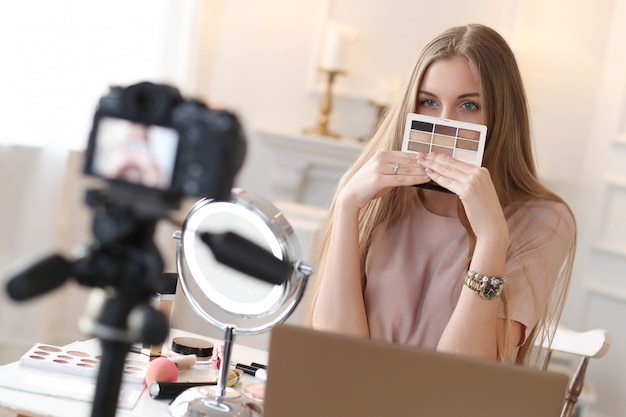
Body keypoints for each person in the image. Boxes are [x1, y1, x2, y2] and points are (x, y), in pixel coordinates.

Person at [311, 23, 576, 364]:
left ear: (501, 116)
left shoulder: (543, 219)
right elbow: (336, 351)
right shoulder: (374, 196)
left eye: (468, 106)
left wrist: (492, 238)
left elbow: (462, 372)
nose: (445, 122)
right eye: (429, 102)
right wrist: (347, 206)